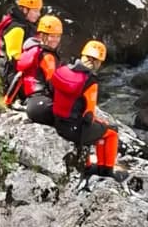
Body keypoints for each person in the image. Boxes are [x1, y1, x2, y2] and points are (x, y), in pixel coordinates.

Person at [24, 39, 122, 182]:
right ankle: (106, 171)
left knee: (92, 127)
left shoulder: (63, 70)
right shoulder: (90, 81)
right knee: (111, 132)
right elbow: (88, 116)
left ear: (83, 55)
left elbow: (52, 91)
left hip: (58, 123)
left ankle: (88, 163)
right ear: (98, 62)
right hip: (74, 130)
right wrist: (102, 124)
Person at [4, 12, 63, 108]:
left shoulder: (32, 50)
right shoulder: (47, 56)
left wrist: (7, 101)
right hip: (43, 101)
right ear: (42, 35)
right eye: (52, 36)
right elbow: (53, 85)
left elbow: (19, 77)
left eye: (58, 36)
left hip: (30, 101)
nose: (55, 40)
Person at [0, 0, 43, 88]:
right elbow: (15, 59)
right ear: (24, 10)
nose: (38, 14)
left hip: (17, 73)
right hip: (12, 75)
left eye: (39, 11)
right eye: (35, 11)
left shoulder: (26, 25)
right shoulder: (17, 28)